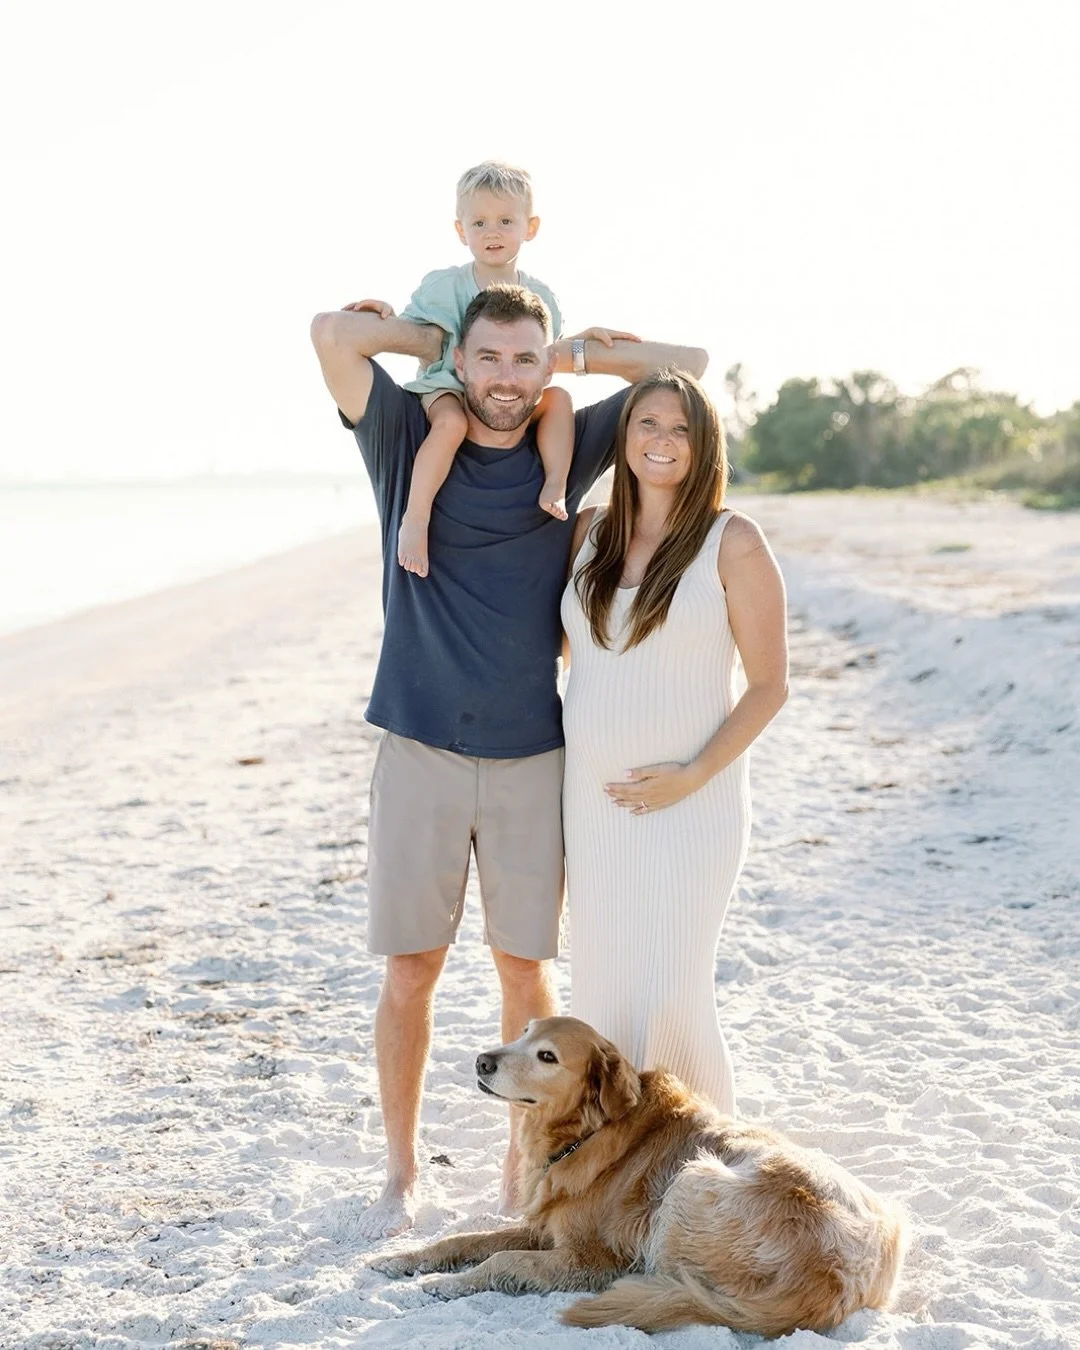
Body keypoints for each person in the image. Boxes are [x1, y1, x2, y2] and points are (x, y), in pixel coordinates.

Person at [310, 282, 707, 1239]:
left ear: (543, 364)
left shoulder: (566, 444)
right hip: (420, 746)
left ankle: (515, 1165)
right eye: (489, 358)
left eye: (525, 359)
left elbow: (687, 368)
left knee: (526, 976)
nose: (506, 378)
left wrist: (576, 357)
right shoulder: (407, 437)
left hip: (535, 755)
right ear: (462, 361)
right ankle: (401, 1173)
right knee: (411, 968)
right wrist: (423, 339)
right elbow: (330, 334)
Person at [561, 367, 788, 1116]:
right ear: (623, 437)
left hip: (691, 809)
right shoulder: (590, 531)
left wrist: (690, 776)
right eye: (646, 423)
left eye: (681, 428)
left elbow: (768, 686)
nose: (661, 440)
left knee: (671, 991)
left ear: (704, 444)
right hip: (593, 811)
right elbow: (583, 656)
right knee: (605, 988)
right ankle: (611, 1164)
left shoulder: (734, 541)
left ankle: (697, 1151)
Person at [355, 162, 608, 579]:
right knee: (451, 424)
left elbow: (542, 353)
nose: (492, 232)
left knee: (559, 399)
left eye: (506, 220)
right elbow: (411, 329)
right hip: (446, 388)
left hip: (504, 394)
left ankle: (556, 485)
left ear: (530, 226)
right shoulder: (444, 286)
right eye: (480, 222)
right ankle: (415, 518)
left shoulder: (541, 296)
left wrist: (583, 341)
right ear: (461, 231)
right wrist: (384, 313)